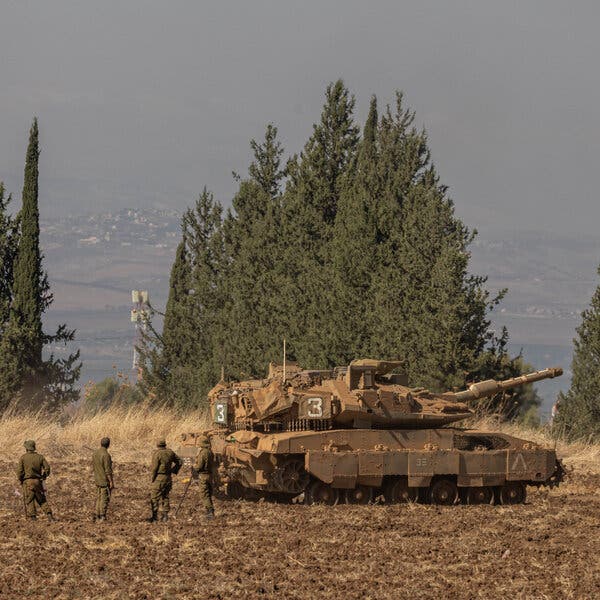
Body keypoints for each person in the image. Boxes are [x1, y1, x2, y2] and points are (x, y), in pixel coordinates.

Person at [16, 440, 54, 521]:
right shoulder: (40, 457)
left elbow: (19, 471)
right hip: (38, 481)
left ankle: (33, 518)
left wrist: (20, 479)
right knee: (42, 499)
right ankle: (49, 515)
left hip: (27, 482)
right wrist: (43, 476)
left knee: (29, 499)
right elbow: (47, 468)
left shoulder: (23, 457)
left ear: (26, 448)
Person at [148, 438, 182, 522]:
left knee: (154, 497)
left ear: (157, 445)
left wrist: (152, 478)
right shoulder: (170, 452)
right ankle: (165, 516)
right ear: (165, 444)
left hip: (159, 478)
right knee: (165, 496)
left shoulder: (157, 454)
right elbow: (180, 461)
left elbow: (154, 468)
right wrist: (174, 470)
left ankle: (154, 517)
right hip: (168, 477)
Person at [92, 437, 114, 522]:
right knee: (104, 498)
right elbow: (108, 471)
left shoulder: (95, 453)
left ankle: (97, 515)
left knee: (99, 498)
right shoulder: (106, 455)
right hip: (104, 480)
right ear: (108, 445)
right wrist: (111, 482)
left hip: (97, 479)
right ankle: (102, 516)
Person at [194, 434, 215, 519]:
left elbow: (199, 466)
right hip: (210, 475)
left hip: (203, 475)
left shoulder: (203, 453)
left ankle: (210, 512)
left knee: (204, 495)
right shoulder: (210, 452)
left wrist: (194, 468)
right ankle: (210, 511)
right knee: (208, 494)